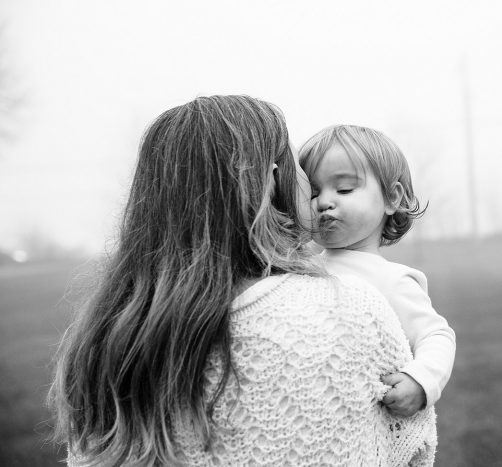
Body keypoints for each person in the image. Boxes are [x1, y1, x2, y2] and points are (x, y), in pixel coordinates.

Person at [48, 96, 436, 467]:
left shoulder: (106, 338)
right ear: (270, 179)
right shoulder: (346, 307)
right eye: (310, 182)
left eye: (344, 187)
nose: (320, 199)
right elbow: (409, 448)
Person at [299, 125, 456, 417]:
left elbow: (436, 335)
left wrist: (420, 382)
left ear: (391, 198)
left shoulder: (390, 280)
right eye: (312, 192)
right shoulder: (301, 267)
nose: (323, 202)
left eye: (344, 188)